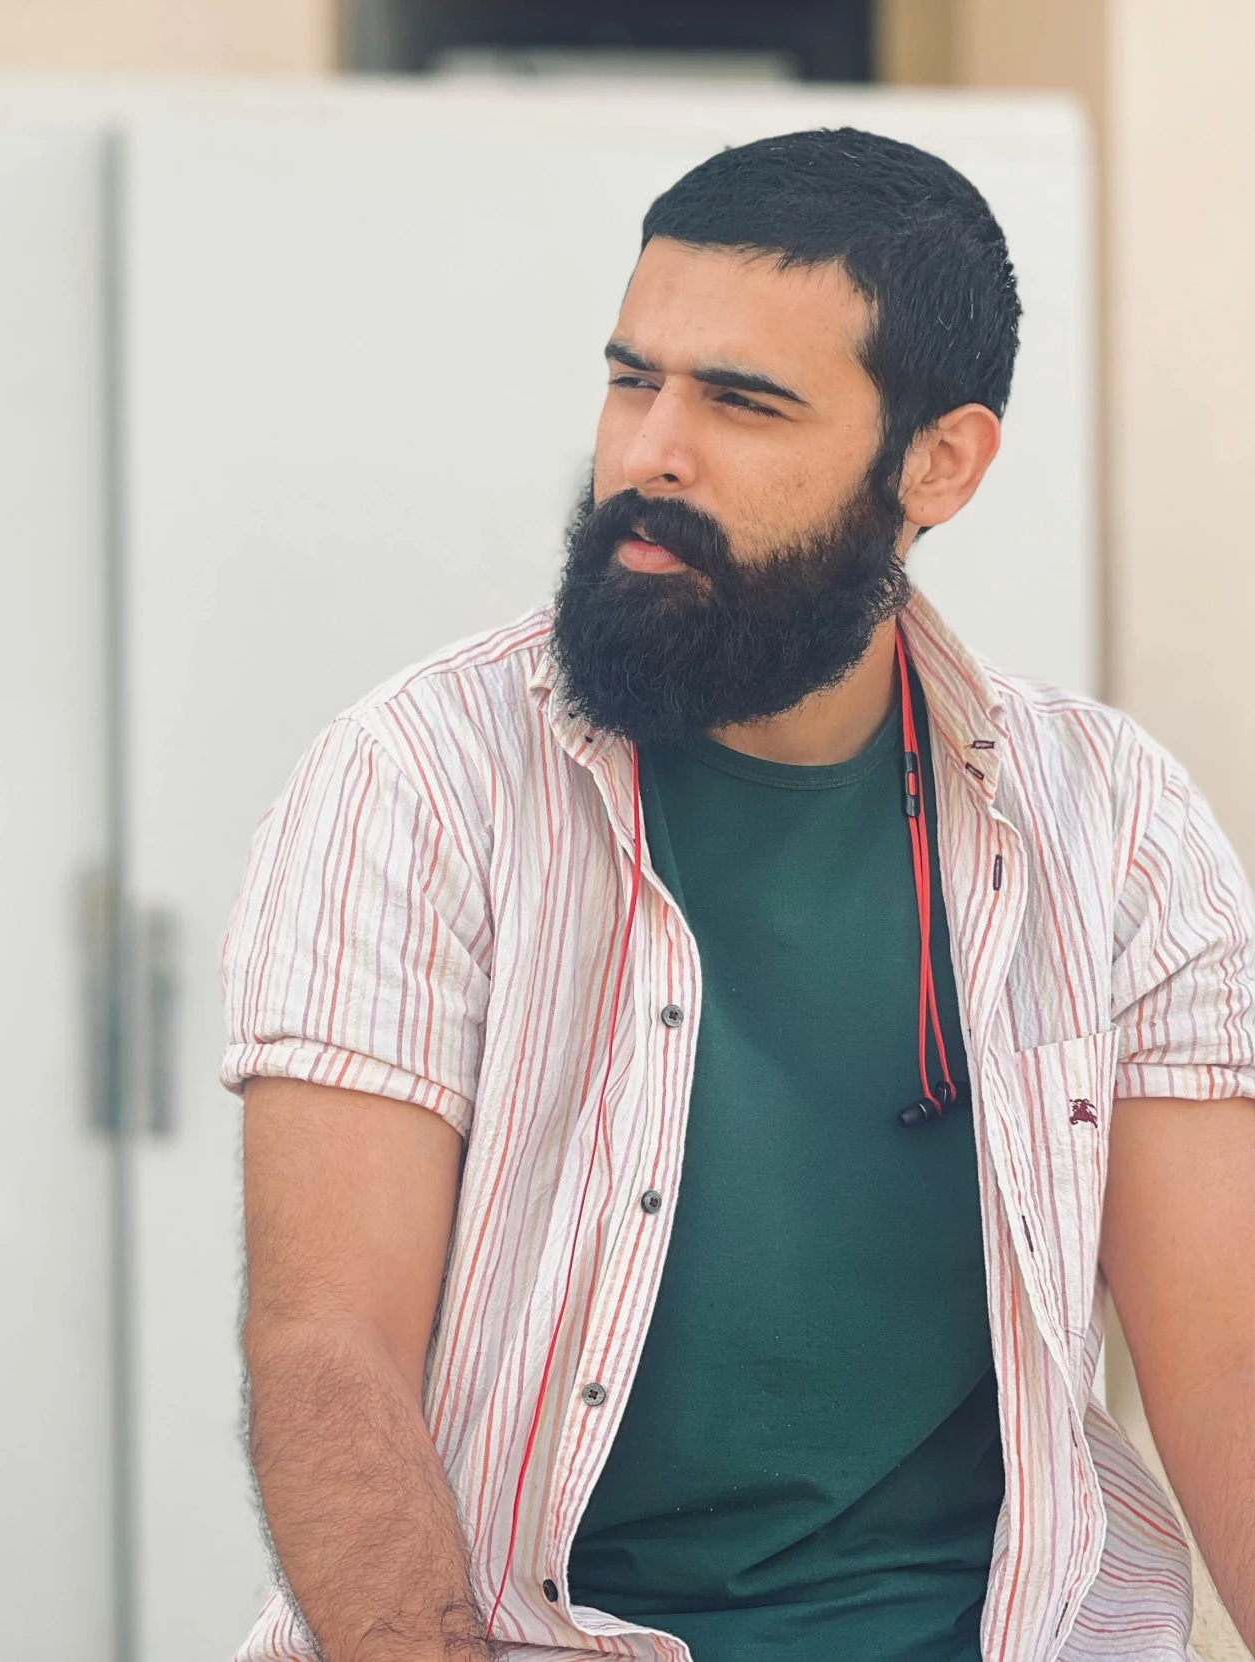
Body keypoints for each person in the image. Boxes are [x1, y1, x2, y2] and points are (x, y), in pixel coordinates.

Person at [223, 128, 1255, 1662]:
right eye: (634, 379)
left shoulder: (1111, 823)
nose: (650, 452)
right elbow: (329, 1345)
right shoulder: (415, 780)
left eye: (742, 401)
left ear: (940, 463)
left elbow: (1224, 1364)